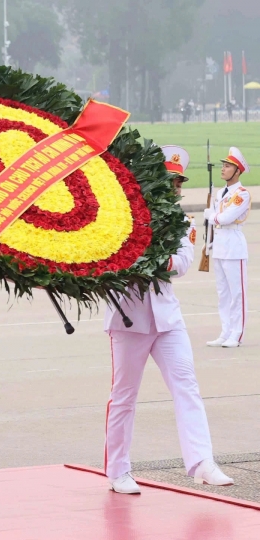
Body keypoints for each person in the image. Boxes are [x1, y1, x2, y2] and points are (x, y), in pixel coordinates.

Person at [104, 146, 234, 495]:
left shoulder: (181, 222)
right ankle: (118, 470)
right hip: (128, 319)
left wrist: (156, 262)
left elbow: (183, 262)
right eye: (171, 182)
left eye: (179, 183)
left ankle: (202, 462)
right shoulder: (123, 218)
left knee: (186, 386)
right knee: (124, 397)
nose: (177, 189)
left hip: (167, 318)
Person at [204, 147, 250, 348]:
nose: (223, 169)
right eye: (223, 165)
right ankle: (225, 331)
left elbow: (224, 218)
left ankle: (236, 333)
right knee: (223, 294)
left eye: (228, 166)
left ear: (237, 171)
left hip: (234, 247)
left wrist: (210, 215)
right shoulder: (221, 193)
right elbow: (217, 220)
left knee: (236, 293)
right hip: (220, 246)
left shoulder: (241, 194)